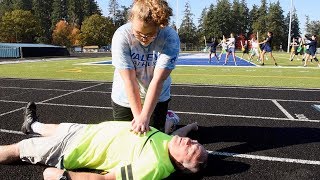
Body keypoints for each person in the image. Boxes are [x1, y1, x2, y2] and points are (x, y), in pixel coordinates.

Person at [0, 102, 208, 180]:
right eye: (194, 142)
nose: (189, 142)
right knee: (53, 128)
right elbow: (176, 136)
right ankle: (32, 126)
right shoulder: (169, 144)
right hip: (88, 132)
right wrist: (191, 127)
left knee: (19, 149)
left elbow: (107, 179)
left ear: (181, 165)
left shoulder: (152, 167)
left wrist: (67, 177)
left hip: (73, 150)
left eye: (191, 149)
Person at [111, 0, 180, 134]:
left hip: (157, 96)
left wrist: (145, 116)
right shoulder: (122, 36)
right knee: (125, 139)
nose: (143, 38)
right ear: (131, 20)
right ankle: (168, 121)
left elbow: (158, 80)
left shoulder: (170, 37)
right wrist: (139, 117)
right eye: (138, 33)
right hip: (125, 96)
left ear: (159, 27)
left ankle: (169, 121)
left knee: (154, 138)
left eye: (150, 34)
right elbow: (129, 80)